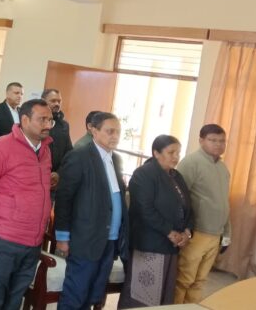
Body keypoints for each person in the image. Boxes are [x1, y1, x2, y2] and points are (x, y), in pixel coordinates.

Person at [0, 99, 54, 309]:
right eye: (42, 119)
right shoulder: (0, 147)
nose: (48, 125)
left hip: (33, 240)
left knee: (14, 300)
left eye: (50, 120)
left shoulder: (45, 151)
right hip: (3, 239)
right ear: (25, 120)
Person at [54, 112, 129, 310]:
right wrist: (62, 237)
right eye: (110, 131)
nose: (115, 136)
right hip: (85, 238)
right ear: (94, 131)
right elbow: (64, 199)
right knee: (75, 294)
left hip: (110, 240)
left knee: (94, 295)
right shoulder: (79, 157)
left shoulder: (116, 159)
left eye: (118, 132)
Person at [118, 135, 192, 308]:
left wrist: (187, 231)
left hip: (171, 245)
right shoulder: (143, 174)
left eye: (178, 153)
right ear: (156, 153)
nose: (176, 157)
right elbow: (145, 210)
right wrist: (170, 232)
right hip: (149, 243)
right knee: (143, 293)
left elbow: (188, 206)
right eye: (171, 152)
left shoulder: (176, 176)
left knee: (164, 293)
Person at [174, 124, 231, 304]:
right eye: (213, 140)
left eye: (222, 141)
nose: (218, 144)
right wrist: (184, 229)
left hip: (215, 234)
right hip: (197, 232)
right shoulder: (191, 163)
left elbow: (224, 203)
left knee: (199, 281)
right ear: (201, 140)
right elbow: (178, 198)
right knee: (184, 279)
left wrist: (227, 233)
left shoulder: (222, 168)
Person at [42, 88, 73, 189]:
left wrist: (58, 173)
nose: (57, 104)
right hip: (36, 177)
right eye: (53, 101)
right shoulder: (36, 123)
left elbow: (69, 153)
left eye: (59, 101)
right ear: (43, 101)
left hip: (56, 179)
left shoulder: (64, 125)